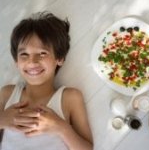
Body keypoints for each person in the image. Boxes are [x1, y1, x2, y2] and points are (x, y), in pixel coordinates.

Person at [0, 12, 93, 150]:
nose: (32, 61)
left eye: (42, 53)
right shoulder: (7, 93)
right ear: (16, 62)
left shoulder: (70, 98)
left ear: (59, 59)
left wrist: (60, 127)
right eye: (24, 54)